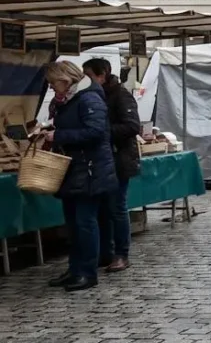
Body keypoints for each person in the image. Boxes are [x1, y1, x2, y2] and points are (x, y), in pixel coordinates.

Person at [35, 61, 116, 292]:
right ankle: (75, 269)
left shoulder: (89, 98)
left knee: (85, 222)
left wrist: (59, 135)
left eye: (52, 83)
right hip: (73, 169)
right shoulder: (66, 101)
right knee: (73, 224)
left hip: (90, 170)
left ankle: (87, 272)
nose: (51, 88)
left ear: (65, 79)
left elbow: (96, 132)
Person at [82, 58, 139, 273]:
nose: (85, 79)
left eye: (88, 75)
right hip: (100, 161)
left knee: (116, 208)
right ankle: (105, 253)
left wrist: (102, 131)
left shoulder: (121, 95)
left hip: (119, 160)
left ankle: (121, 254)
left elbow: (132, 126)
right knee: (102, 210)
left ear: (102, 74)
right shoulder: (93, 95)